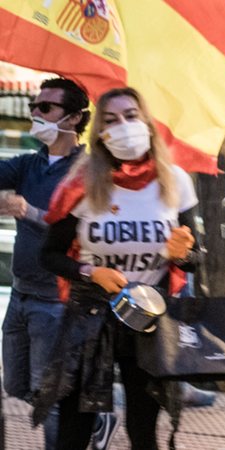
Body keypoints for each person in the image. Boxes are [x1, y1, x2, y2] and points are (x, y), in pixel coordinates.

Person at [31, 86, 201, 450]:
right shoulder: (80, 184)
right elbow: (49, 254)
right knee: (75, 428)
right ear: (100, 133)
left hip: (148, 319)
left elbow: (197, 259)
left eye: (130, 116)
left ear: (147, 123)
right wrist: (90, 273)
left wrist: (182, 253)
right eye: (110, 120)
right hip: (90, 318)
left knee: (144, 428)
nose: (122, 126)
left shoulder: (175, 181)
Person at [0, 77, 89, 449]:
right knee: (16, 386)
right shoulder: (28, 163)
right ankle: (91, 423)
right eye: (33, 107)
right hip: (21, 295)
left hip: (57, 300)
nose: (35, 113)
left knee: (50, 397)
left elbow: (84, 229)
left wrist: (30, 211)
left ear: (73, 118)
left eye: (45, 107)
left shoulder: (88, 169)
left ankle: (80, 430)